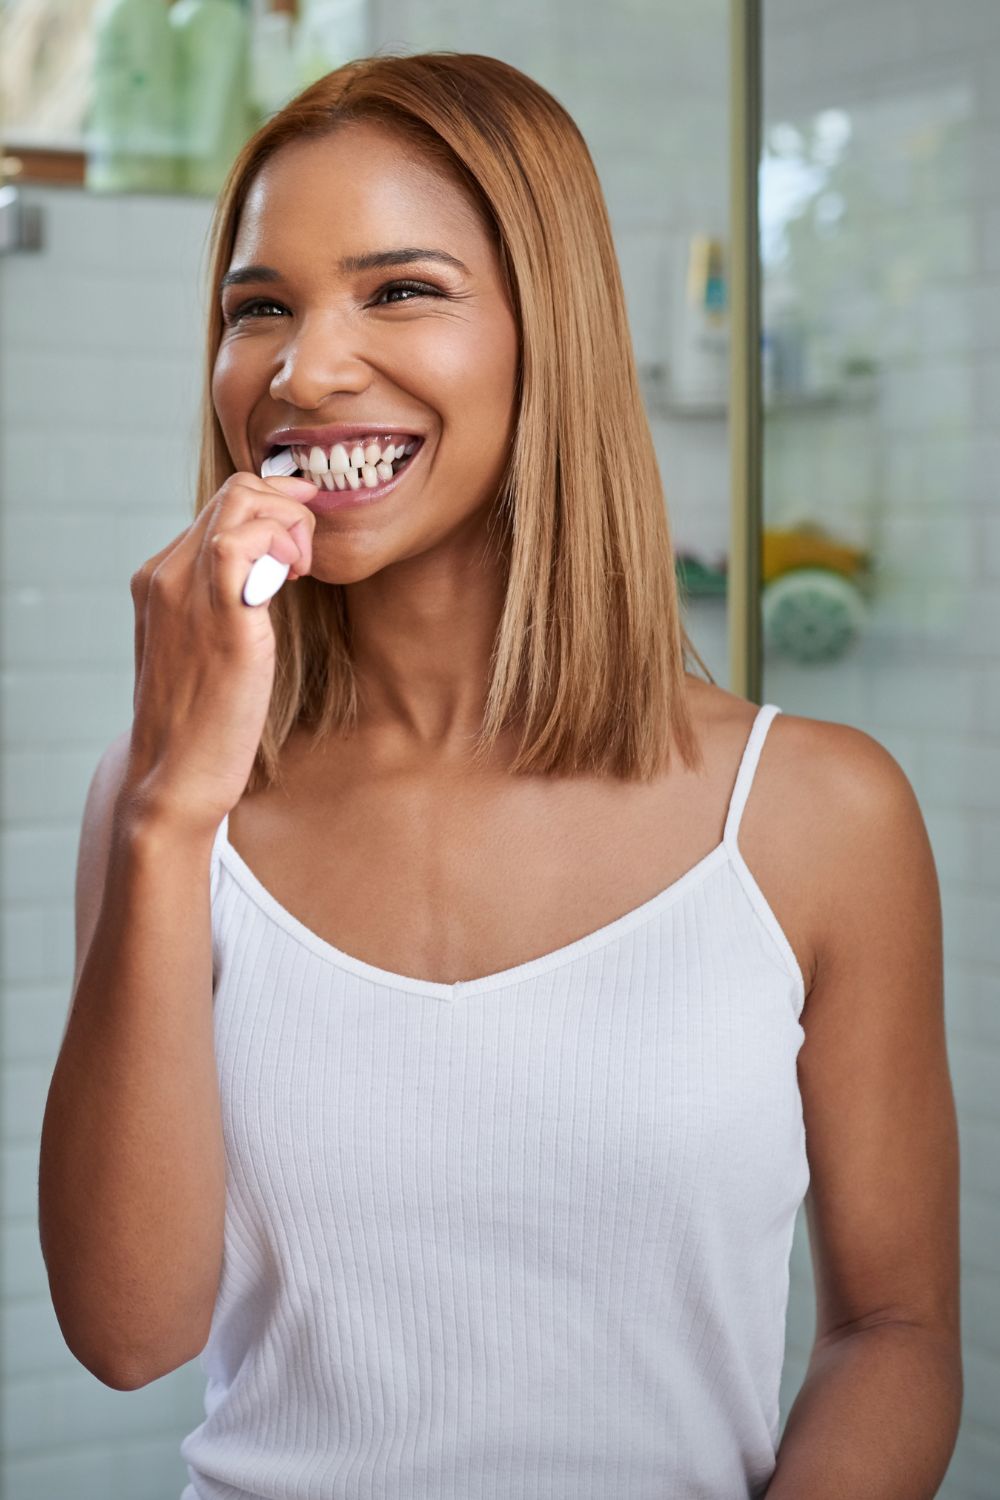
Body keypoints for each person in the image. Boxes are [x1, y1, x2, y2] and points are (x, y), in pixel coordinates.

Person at [40, 51, 961, 1500]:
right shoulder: (159, 810)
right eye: (258, 306)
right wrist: (169, 809)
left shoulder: (817, 815)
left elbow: (895, 1329)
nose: (304, 368)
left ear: (556, 336)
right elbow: (128, 1330)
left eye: (398, 290)